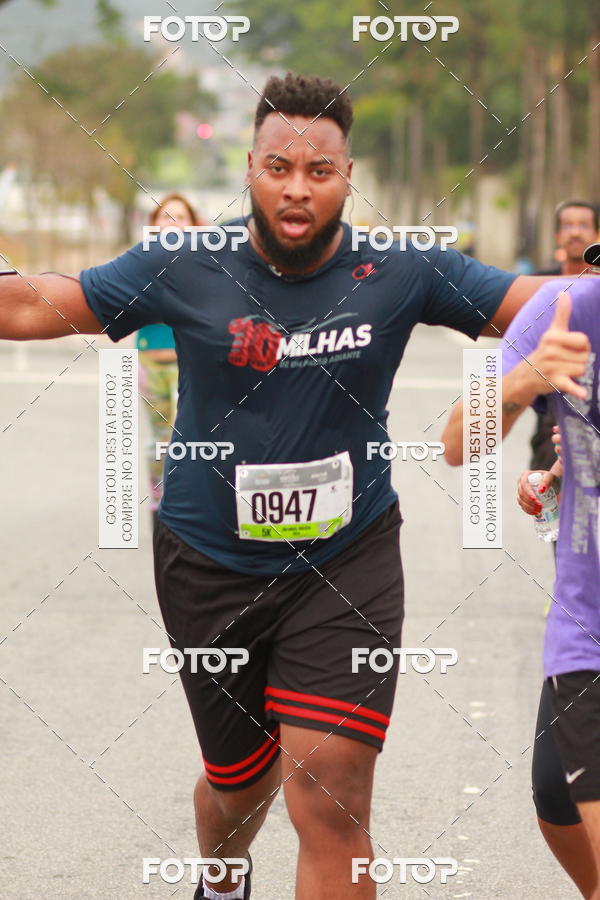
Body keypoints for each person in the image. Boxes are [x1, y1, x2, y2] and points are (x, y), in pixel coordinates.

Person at [0, 72, 569, 899]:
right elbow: (35, 306)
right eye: (278, 168)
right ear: (250, 169)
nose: (297, 189)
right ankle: (223, 877)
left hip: (348, 556)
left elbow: (542, 303)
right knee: (240, 783)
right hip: (207, 561)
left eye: (320, 171)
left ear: (347, 176)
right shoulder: (186, 265)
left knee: (330, 794)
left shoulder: (400, 268)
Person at [441, 272, 600, 899]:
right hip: (590, 629)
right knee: (555, 794)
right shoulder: (574, 308)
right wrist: (524, 380)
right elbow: (457, 443)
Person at [137, 193, 203, 526]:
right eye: (164, 216)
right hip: (150, 364)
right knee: (161, 438)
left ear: (194, 225)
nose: (171, 223)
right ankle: (160, 502)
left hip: (189, 365)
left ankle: (194, 504)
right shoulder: (139, 265)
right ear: (152, 225)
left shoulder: (205, 267)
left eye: (180, 216)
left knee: (192, 438)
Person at [530, 202, 598, 477]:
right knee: (543, 491)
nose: (575, 233)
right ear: (557, 235)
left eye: (584, 225)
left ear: (596, 234)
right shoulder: (536, 284)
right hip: (551, 406)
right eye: (568, 226)